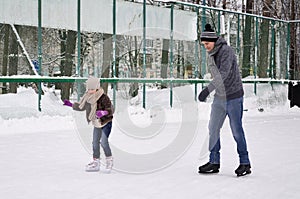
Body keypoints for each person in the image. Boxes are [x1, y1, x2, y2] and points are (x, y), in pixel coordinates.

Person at [198, 24, 251, 177]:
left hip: (234, 96)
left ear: (214, 40)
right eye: (203, 44)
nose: (205, 46)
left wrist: (207, 90)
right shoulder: (211, 53)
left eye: (207, 43)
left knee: (236, 130)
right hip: (220, 98)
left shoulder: (226, 51)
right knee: (213, 127)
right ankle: (214, 161)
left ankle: (245, 162)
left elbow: (224, 73)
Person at [63, 77, 114, 172]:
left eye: (92, 89)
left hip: (106, 123)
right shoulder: (88, 97)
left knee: (103, 142)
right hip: (96, 123)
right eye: (89, 89)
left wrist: (103, 113)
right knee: (95, 143)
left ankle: (109, 160)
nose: (90, 91)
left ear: (97, 88)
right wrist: (70, 104)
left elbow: (111, 109)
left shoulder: (103, 97)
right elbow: (81, 106)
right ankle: (96, 162)